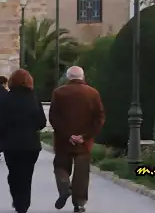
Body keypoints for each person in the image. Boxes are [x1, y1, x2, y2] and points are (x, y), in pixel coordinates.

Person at [49, 66, 105, 213]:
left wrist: (68, 135)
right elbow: (99, 117)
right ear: (83, 77)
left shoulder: (59, 93)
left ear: (68, 77)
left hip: (63, 140)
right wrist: (85, 135)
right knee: (82, 172)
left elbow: (54, 117)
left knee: (60, 166)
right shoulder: (93, 93)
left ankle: (64, 187)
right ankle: (79, 203)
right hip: (84, 142)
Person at [0, 69, 47, 213]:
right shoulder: (34, 99)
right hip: (30, 143)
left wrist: (1, 138)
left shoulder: (6, 99)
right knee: (26, 175)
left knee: (13, 173)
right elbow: (42, 122)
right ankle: (24, 203)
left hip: (10, 144)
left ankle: (17, 199)